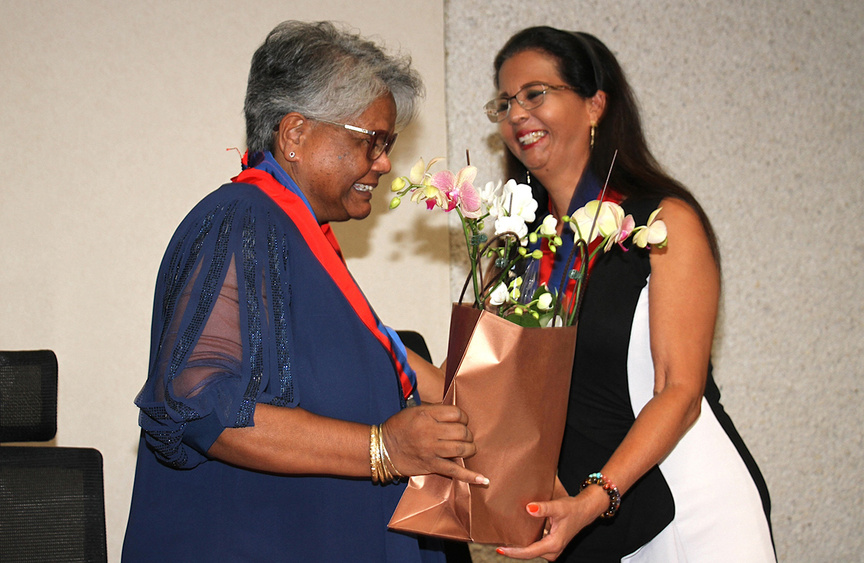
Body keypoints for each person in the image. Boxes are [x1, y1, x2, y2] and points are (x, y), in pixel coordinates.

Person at [122, 21, 485, 562]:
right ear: (294, 134)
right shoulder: (242, 219)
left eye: (387, 145)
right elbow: (200, 403)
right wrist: (382, 447)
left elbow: (409, 371)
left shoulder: (299, 240)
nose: (384, 163)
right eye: (371, 141)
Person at [485, 27, 775, 561]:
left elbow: (679, 392)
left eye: (535, 93)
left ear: (594, 105)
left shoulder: (663, 223)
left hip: (687, 510)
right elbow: (496, 392)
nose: (516, 113)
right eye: (504, 102)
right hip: (579, 522)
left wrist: (596, 498)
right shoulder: (517, 248)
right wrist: (385, 347)